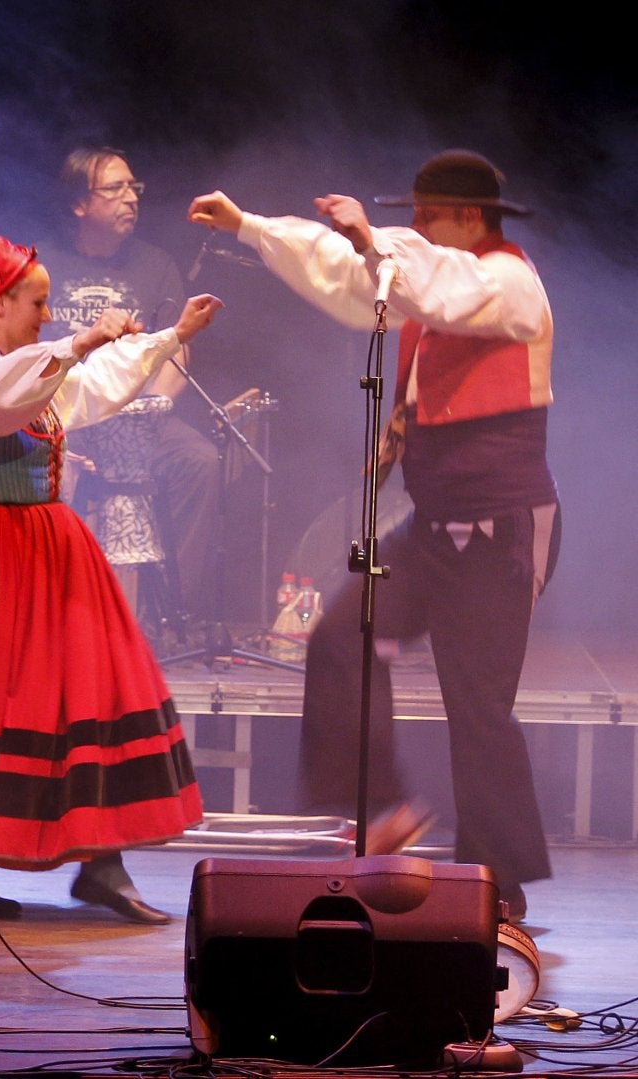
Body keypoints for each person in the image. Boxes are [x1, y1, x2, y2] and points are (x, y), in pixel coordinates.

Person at [188, 149, 558, 921]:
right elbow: (355, 275)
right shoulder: (432, 274)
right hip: (433, 526)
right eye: (413, 216)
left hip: (502, 528)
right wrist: (252, 226)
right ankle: (385, 809)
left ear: (470, 218)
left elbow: (439, 289)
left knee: (478, 702)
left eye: (428, 215)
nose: (415, 227)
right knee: (341, 635)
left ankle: (503, 879)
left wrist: (373, 241)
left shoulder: (509, 279)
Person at [0, 237, 219, 924]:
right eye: (36, 301)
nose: (46, 313)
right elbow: (5, 400)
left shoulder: (33, 369)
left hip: (50, 547)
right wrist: (80, 340)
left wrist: (170, 336)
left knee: (87, 689)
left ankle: (102, 862)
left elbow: (91, 387)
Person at [44, 147, 223, 627]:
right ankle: (52, 612)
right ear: (80, 203)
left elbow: (178, 350)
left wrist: (147, 407)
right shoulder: (43, 263)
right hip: (61, 421)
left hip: (139, 420)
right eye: (115, 188)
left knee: (199, 461)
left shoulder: (156, 265)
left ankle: (171, 609)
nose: (130, 198)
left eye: (133, 188)